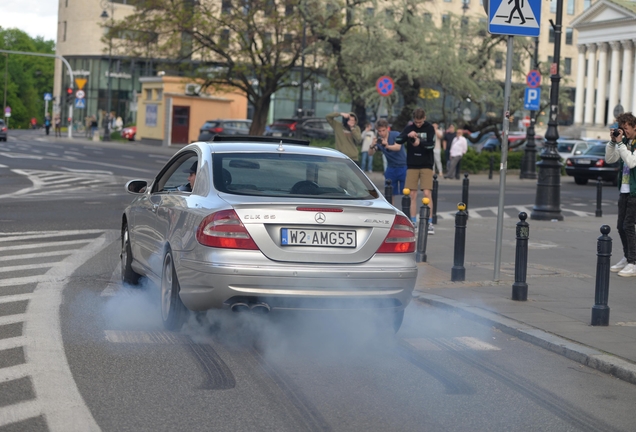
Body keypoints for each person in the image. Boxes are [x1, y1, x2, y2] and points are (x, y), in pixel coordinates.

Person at [395, 108, 436, 235]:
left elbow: (431, 145)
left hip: (426, 164)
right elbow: (398, 140)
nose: (418, 124)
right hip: (412, 164)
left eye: (420, 122)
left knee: (427, 193)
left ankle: (429, 222)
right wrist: (408, 135)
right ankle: (413, 221)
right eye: (416, 122)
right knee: (412, 194)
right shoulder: (410, 128)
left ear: (424, 118)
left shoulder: (429, 128)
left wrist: (420, 142)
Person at [607, 112, 636, 277]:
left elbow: (631, 162)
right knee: (620, 226)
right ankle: (627, 257)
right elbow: (610, 159)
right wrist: (612, 142)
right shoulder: (623, 142)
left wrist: (621, 144)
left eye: (626, 129)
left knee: (629, 226)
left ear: (634, 126)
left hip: (635, 191)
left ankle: (633, 262)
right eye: (621, 129)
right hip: (624, 190)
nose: (624, 132)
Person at [368, 118, 406, 206]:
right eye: (379, 131)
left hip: (403, 166)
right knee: (389, 193)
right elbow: (370, 153)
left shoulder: (396, 135)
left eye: (383, 130)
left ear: (387, 128)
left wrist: (387, 146)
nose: (382, 133)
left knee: (406, 192)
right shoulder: (379, 141)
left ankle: (406, 213)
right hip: (391, 167)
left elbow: (397, 147)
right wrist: (372, 145)